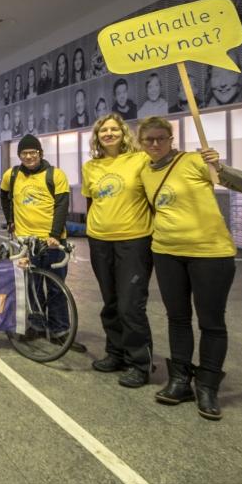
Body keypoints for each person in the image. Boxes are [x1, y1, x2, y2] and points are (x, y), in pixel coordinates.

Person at [138, 117, 242, 420]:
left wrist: (221, 167)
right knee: (177, 319)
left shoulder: (193, 161)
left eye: (160, 138)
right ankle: (180, 380)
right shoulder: (144, 172)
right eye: (149, 140)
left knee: (211, 322)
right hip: (166, 253)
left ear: (171, 138)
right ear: (141, 143)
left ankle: (207, 386)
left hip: (210, 253)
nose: (155, 144)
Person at [82, 115, 154, 387]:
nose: (109, 134)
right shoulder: (90, 167)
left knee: (130, 304)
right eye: (104, 130)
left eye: (114, 129)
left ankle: (139, 362)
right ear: (97, 136)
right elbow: (92, 201)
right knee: (110, 301)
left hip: (134, 240)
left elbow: (153, 195)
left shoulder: (141, 160)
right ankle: (116, 353)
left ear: (124, 133)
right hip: (99, 240)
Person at [0, 135, 84, 352]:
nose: (29, 156)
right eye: (24, 153)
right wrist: (10, 220)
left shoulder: (55, 175)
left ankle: (60, 331)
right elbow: (4, 196)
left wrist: (55, 234)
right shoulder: (12, 175)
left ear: (40, 153)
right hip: (26, 241)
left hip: (52, 241)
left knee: (56, 286)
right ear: (19, 155)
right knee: (32, 286)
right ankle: (37, 326)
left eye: (33, 152)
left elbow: (62, 205)